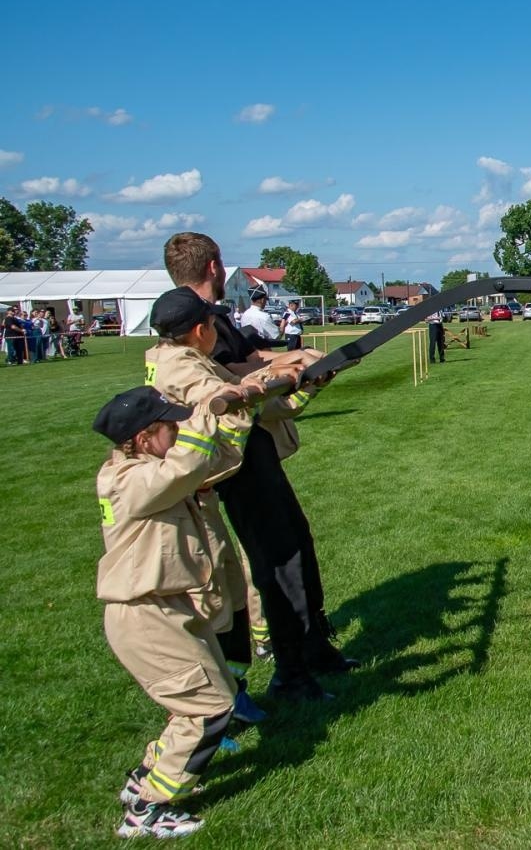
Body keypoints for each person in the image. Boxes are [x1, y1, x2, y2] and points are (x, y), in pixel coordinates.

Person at [162, 232, 355, 703]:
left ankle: (313, 648)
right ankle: (290, 672)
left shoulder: (204, 321)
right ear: (214, 267)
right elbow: (233, 382)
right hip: (237, 462)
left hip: (255, 451)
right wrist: (289, 373)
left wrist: (298, 367)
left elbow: (245, 365)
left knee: (297, 543)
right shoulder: (194, 327)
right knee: (278, 560)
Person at [92, 385, 252, 838]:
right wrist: (205, 410)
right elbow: (189, 461)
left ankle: (146, 778)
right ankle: (150, 809)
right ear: (144, 439)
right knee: (209, 708)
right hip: (144, 614)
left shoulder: (157, 471)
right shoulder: (128, 481)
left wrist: (241, 408)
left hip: (171, 608)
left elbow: (217, 460)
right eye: (170, 426)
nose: (180, 430)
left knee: (203, 699)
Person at [144, 288, 284, 726]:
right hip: (189, 500)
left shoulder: (175, 354)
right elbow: (219, 399)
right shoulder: (183, 365)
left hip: (198, 494)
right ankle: (213, 709)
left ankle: (235, 691)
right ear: (201, 330)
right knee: (213, 596)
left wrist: (290, 388)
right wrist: (245, 393)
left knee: (229, 586)